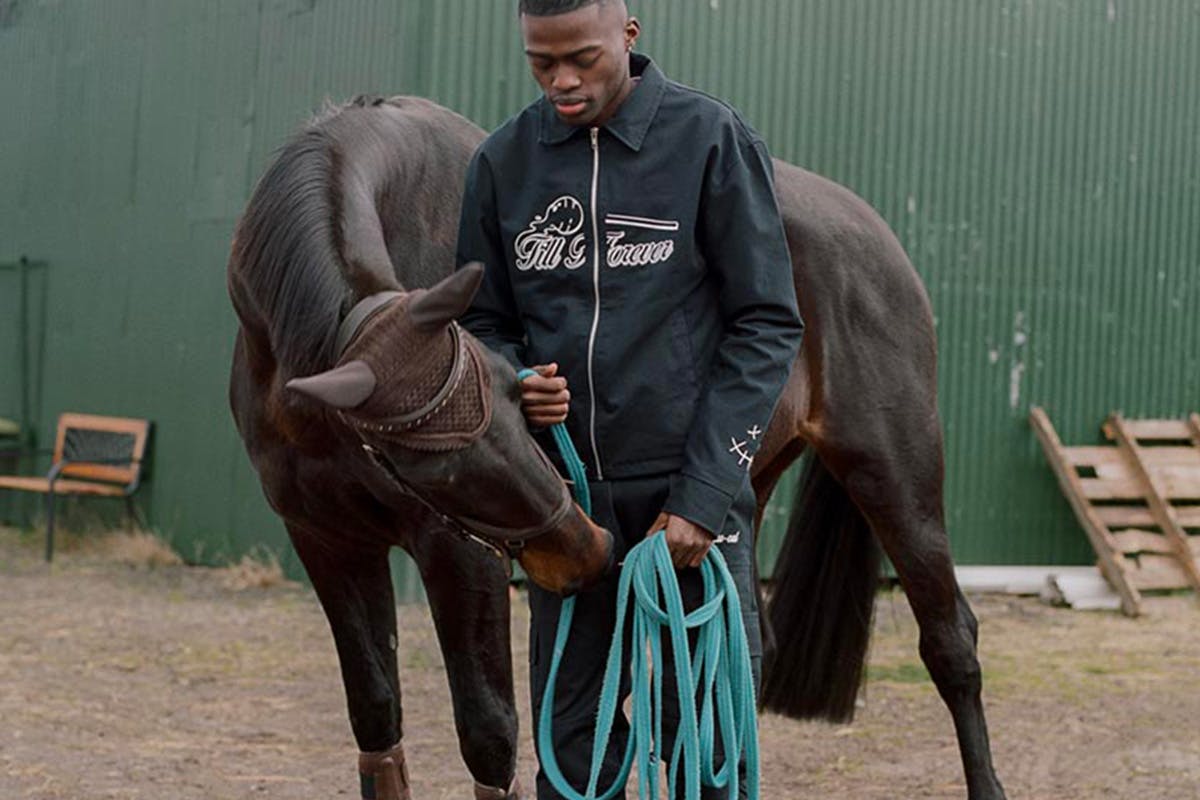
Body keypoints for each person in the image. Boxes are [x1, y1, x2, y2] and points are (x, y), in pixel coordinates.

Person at [455, 1, 804, 796]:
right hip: (564, 505)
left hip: (688, 502)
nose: (561, 81)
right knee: (571, 752)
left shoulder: (710, 140)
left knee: (707, 745)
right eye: (541, 63)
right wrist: (516, 380)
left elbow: (766, 324)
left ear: (629, 35)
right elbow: (480, 323)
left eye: (581, 58)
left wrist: (705, 496)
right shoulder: (502, 163)